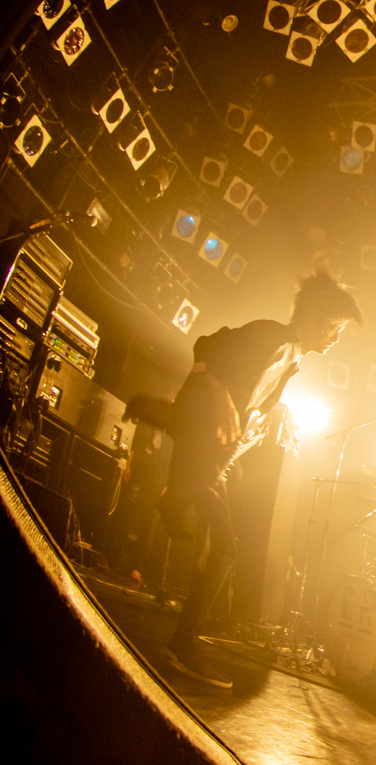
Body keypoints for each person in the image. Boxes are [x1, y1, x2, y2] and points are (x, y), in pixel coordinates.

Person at [124, 268, 362, 689]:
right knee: (224, 550)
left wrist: (265, 419)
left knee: (209, 533)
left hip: (210, 454)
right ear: (317, 317)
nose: (337, 338)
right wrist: (218, 394)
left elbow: (250, 401)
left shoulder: (291, 362)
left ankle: (171, 485)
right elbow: (206, 344)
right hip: (200, 447)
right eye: (336, 327)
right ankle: (183, 646)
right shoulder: (272, 335)